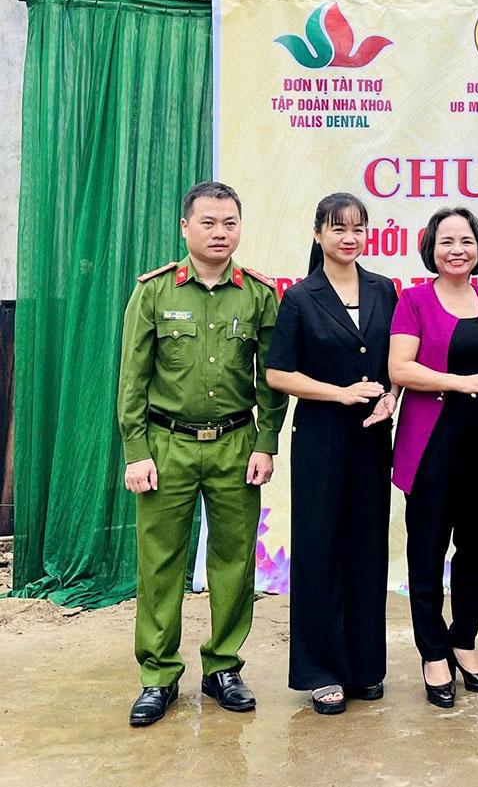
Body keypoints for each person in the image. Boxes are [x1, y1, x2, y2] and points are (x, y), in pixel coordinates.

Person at [117, 181, 287, 727]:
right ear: (185, 228)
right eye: (209, 223)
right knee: (160, 562)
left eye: (230, 223)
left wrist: (266, 441)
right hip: (167, 446)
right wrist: (136, 450)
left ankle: (223, 668)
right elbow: (132, 380)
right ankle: (159, 675)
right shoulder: (154, 292)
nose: (220, 233)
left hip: (237, 446)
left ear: (240, 227)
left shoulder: (259, 295)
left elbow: (271, 381)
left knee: (235, 562)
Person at [264, 193, 398, 714]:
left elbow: (396, 360)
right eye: (338, 228)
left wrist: (390, 397)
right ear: (318, 233)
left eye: (358, 228)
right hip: (320, 435)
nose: (350, 237)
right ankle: (322, 671)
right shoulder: (300, 296)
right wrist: (340, 393)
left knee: (367, 546)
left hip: (370, 436)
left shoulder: (385, 289)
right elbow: (278, 373)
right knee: (320, 547)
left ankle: (365, 668)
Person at [389, 206, 478, 708]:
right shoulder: (414, 301)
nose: (457, 249)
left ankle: (463, 641)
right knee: (427, 551)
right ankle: (433, 652)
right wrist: (459, 383)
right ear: (430, 249)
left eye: (466, 240)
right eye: (446, 241)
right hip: (431, 445)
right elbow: (399, 367)